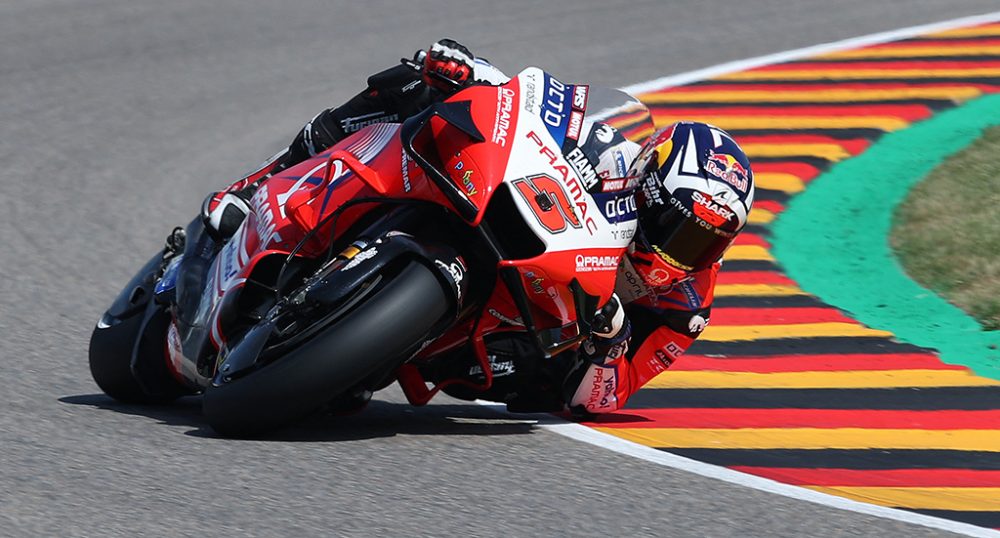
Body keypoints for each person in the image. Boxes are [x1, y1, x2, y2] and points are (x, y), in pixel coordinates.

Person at [199, 39, 755, 418]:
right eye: (677, 229)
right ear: (647, 187)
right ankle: (257, 184)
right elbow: (539, 106)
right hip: (504, 220)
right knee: (418, 88)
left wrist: (610, 342)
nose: (683, 253)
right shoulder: (611, 150)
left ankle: (359, 353)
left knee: (531, 396)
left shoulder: (687, 303)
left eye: (705, 243)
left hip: (519, 343)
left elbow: (610, 396)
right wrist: (477, 75)